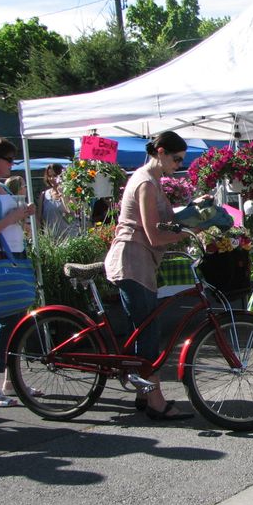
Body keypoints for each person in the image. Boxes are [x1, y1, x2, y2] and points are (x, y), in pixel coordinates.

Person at [104, 131, 200, 421]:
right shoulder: (146, 182)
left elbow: (165, 223)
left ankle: (142, 393)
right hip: (132, 259)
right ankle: (156, 402)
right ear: (160, 151)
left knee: (144, 327)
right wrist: (187, 232)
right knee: (148, 332)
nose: (179, 164)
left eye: (182, 159)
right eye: (176, 158)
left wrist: (197, 212)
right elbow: (155, 236)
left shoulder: (152, 181)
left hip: (139, 260)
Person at [0, 138, 37, 407]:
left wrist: (23, 216)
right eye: (8, 159)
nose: (12, 164)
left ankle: (10, 382)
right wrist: (13, 218)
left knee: (16, 322)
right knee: (6, 321)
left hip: (13, 258)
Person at [36, 163, 78, 239]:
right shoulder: (44, 195)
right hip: (51, 240)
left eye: (55, 176)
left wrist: (63, 194)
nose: (52, 179)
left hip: (70, 239)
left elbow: (72, 211)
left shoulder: (70, 192)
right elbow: (39, 219)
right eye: (49, 176)